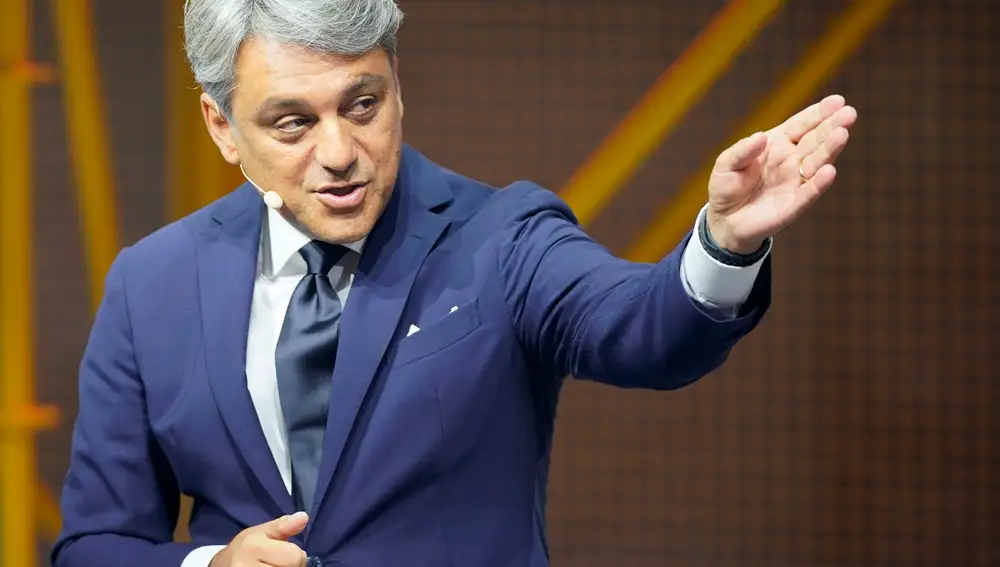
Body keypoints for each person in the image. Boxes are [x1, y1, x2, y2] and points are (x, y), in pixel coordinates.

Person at [51, 0, 857, 566]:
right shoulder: (150, 283)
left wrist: (720, 243)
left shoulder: (501, 236)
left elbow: (645, 328)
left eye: (362, 104)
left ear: (397, 86)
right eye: (293, 122)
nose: (339, 151)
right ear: (221, 127)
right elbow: (94, 544)